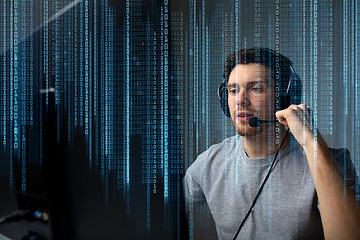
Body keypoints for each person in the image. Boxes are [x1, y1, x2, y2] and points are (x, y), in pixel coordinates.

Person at [184, 48, 359, 239]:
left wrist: (311, 141)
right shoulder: (209, 163)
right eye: (233, 90)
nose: (240, 101)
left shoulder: (331, 162)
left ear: (286, 97)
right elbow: (160, 213)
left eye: (256, 88)